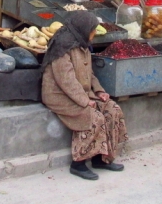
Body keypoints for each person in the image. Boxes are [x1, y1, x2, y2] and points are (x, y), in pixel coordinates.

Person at [41, 11, 128, 181]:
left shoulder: (82, 43)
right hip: (59, 95)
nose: (94, 34)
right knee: (92, 116)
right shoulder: (62, 46)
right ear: (83, 28)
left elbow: (90, 74)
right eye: (92, 30)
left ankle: (100, 158)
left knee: (112, 109)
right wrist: (85, 101)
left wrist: (99, 91)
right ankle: (78, 163)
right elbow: (66, 80)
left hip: (82, 92)